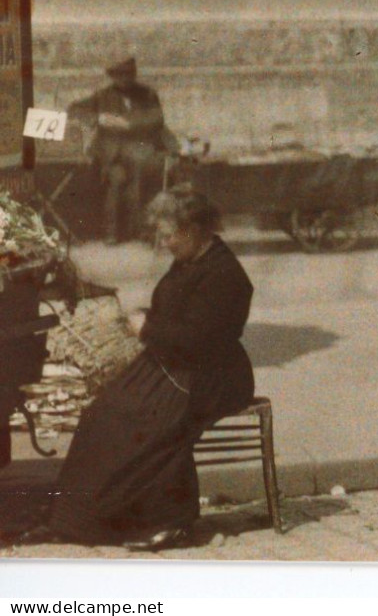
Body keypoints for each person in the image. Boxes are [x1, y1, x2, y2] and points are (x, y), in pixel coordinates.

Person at [45, 187, 255, 551]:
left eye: (168, 234)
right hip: (177, 364)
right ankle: (82, 519)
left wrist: (148, 326)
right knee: (104, 410)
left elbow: (201, 339)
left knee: (149, 419)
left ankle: (171, 522)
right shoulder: (190, 260)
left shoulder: (225, 274)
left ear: (193, 229)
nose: (163, 242)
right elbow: (178, 316)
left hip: (214, 374)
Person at [74, 57, 168, 244]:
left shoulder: (147, 94)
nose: (124, 79)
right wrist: (98, 119)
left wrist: (129, 124)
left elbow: (157, 119)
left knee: (139, 176)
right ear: (113, 77)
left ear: (133, 75)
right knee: (116, 180)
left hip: (140, 150)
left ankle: (140, 231)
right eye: (119, 75)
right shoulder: (103, 95)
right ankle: (112, 232)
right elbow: (74, 109)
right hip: (111, 153)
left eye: (128, 75)